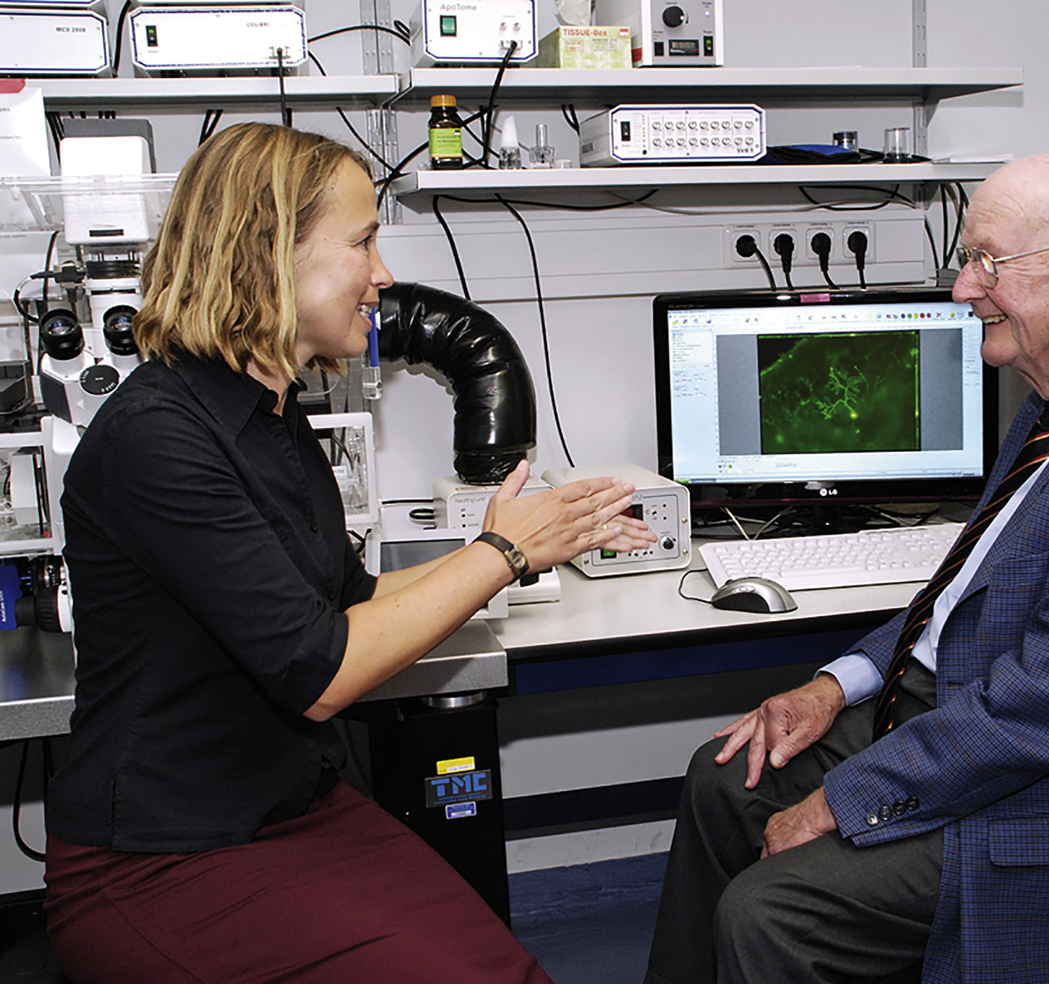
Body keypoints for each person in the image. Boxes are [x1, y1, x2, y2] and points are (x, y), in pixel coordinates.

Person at [42, 121, 653, 983]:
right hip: (161, 856)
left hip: (289, 807)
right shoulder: (158, 438)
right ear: (266, 253)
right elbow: (320, 670)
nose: (383, 276)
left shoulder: (274, 415)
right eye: (363, 241)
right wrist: (503, 556)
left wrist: (520, 541)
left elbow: (349, 599)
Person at [645, 151, 1049, 984]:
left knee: (771, 913)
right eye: (966, 260)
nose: (962, 290)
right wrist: (835, 685)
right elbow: (968, 592)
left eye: (986, 263)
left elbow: (1046, 714)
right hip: (981, 706)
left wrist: (838, 804)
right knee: (723, 781)